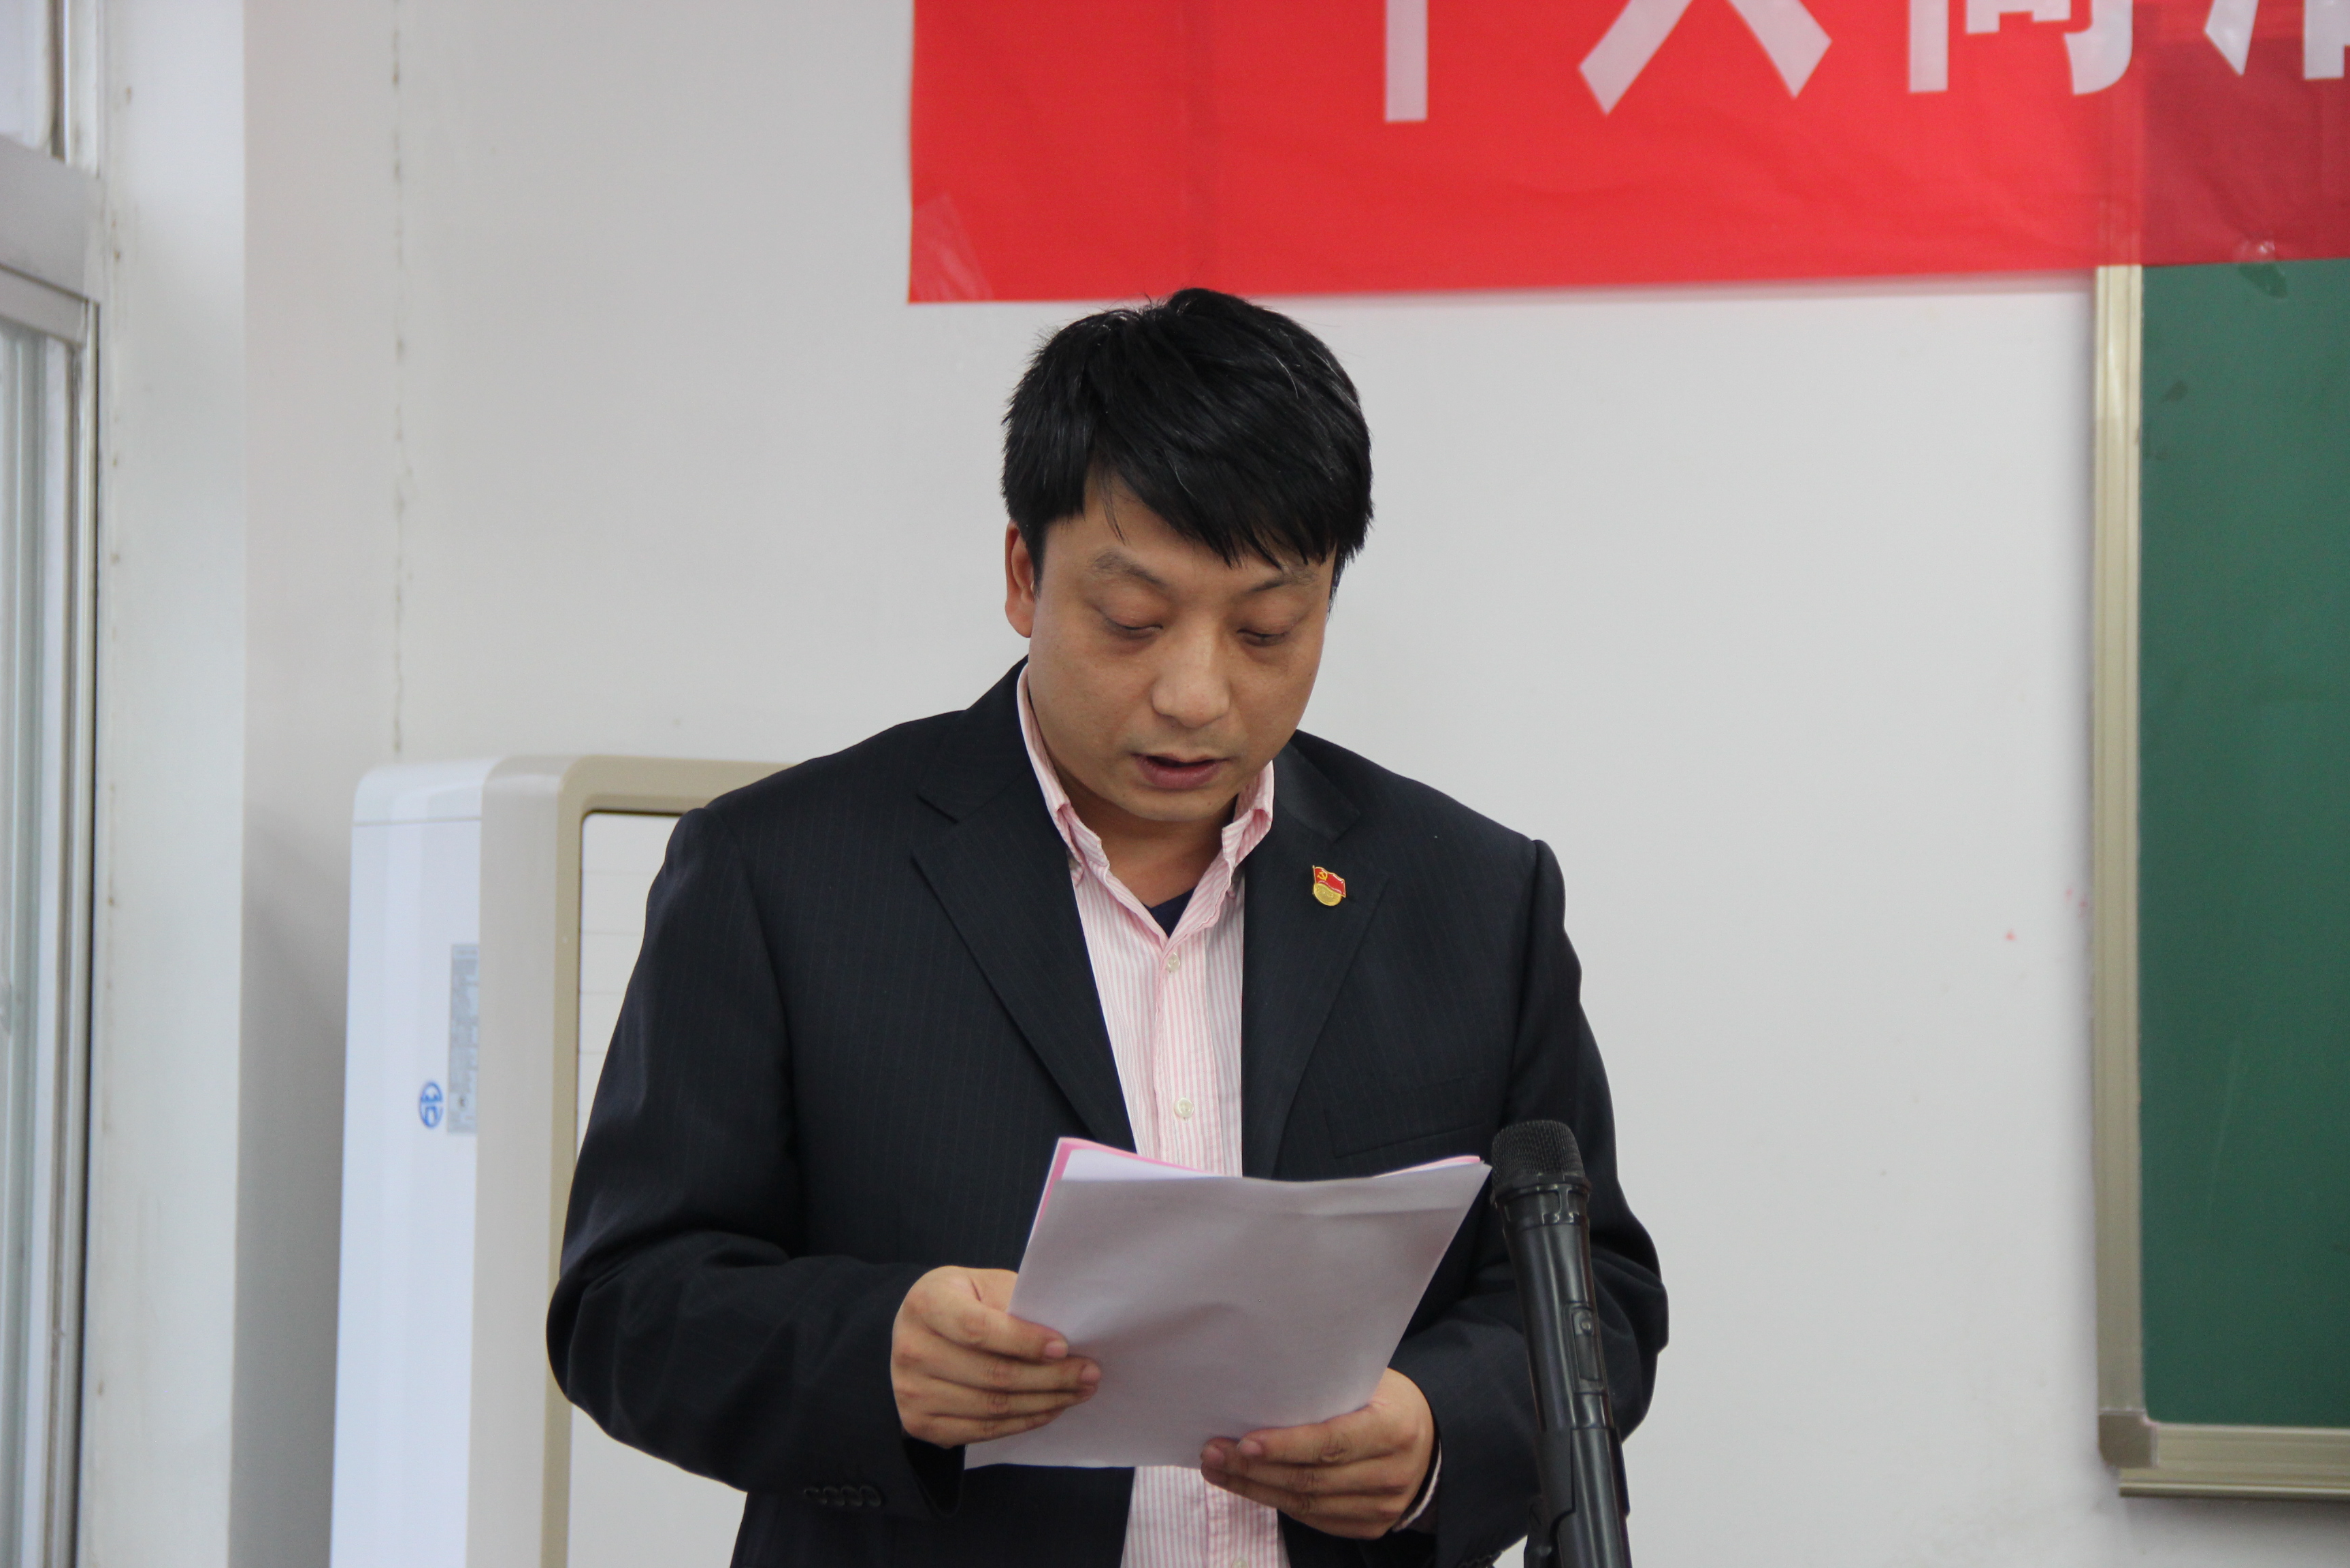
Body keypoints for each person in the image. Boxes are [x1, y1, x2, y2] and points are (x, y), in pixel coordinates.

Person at [549, 288, 1667, 1568]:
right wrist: (876, 1354)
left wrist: (1439, 1430)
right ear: (1023, 574)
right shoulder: (781, 873)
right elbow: (625, 1308)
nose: (1196, 693)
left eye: (1267, 630)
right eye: (1133, 622)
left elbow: (1594, 1293)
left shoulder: (1471, 897)